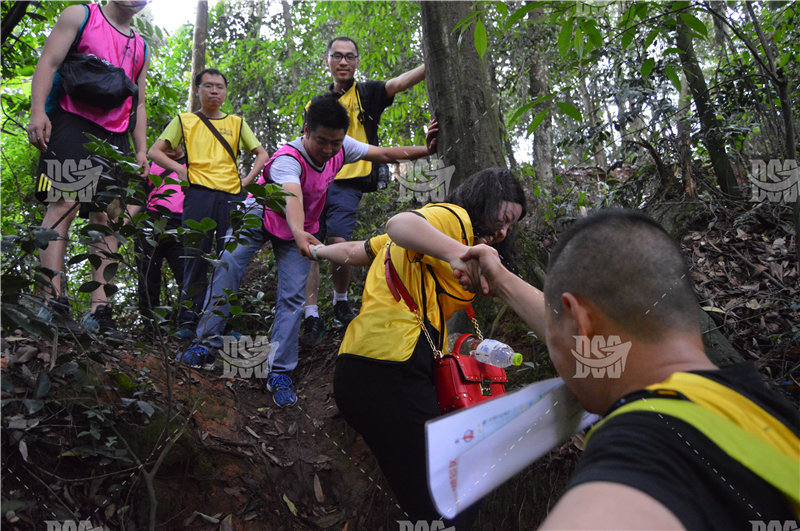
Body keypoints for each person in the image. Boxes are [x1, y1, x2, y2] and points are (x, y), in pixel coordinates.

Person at [456, 209, 800, 529]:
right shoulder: (770, 417)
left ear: (579, 321)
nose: (551, 340)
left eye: (552, 330)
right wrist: (499, 280)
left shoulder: (649, 444)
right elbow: (573, 331)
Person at [177, 94, 438, 409]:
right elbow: (291, 197)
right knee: (229, 265)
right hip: (261, 213)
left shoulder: (341, 147)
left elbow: (382, 153)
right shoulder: (288, 159)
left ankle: (280, 372)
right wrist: (300, 233)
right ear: (305, 131)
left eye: (336, 143)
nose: (329, 150)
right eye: (321, 141)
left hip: (301, 228)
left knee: (293, 297)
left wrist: (427, 149)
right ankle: (205, 345)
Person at [332, 168, 526, 526]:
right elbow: (398, 224)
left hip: (376, 367)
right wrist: (456, 252)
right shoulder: (453, 219)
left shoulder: (439, 239)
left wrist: (314, 248)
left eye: (511, 226)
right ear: (486, 200)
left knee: (435, 499)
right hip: (389, 367)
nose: (503, 231)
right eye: (505, 218)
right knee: (449, 500)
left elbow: (354, 251)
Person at [28, 0, 151, 339]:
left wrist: (140, 149)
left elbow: (137, 102)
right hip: (75, 122)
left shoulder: (141, 45)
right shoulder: (81, 15)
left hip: (116, 137)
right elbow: (49, 62)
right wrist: (38, 111)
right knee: (64, 204)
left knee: (109, 219)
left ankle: (100, 310)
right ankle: (51, 300)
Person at [300, 36, 427, 347]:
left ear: (357, 62)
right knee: (309, 242)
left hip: (349, 178)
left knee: (337, 240)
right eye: (337, 56)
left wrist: (430, 64)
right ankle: (311, 313)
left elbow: (397, 84)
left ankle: (340, 301)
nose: (343, 62)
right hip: (316, 178)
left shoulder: (367, 93)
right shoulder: (316, 104)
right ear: (327, 61)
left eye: (349, 57)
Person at [148, 68, 269, 339]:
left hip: (231, 197)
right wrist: (180, 171)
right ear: (197, 91)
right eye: (208, 86)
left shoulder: (237, 123)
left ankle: (222, 324)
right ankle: (188, 323)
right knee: (194, 257)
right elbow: (154, 151)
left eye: (219, 86)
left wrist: (247, 181)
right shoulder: (185, 121)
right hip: (198, 196)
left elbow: (262, 153)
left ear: (226, 92)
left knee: (227, 260)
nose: (214, 91)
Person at [126, 145, 187, 332]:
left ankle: (188, 323)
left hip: (181, 228)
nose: (169, 147)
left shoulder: (193, 166)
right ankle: (150, 327)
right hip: (149, 225)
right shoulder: (151, 165)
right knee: (148, 278)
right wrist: (122, 222)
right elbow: (137, 198)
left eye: (173, 142)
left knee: (187, 277)